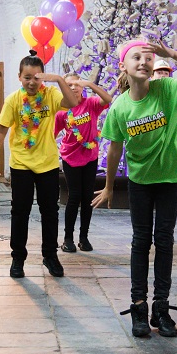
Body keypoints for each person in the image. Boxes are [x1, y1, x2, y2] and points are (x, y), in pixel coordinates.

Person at [93, 38, 177, 338]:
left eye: (148, 58)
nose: (144, 62)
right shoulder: (120, 107)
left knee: (164, 241)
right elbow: (114, 150)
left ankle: (161, 306)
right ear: (124, 65)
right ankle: (138, 306)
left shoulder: (169, 90)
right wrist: (108, 187)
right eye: (136, 57)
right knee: (140, 241)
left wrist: (173, 54)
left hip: (170, 179)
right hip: (140, 182)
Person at [0, 53, 79, 279]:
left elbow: (73, 103)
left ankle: (50, 256)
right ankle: (18, 258)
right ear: (19, 77)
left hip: (47, 164)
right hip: (21, 165)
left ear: (42, 79)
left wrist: (57, 78)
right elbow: (1, 130)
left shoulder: (51, 94)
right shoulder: (13, 100)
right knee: (20, 212)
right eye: (27, 77)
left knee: (50, 212)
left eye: (37, 78)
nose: (31, 82)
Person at [54, 74, 113, 253]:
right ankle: (68, 238)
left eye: (77, 84)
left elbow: (107, 99)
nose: (73, 87)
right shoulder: (62, 111)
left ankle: (84, 237)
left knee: (87, 197)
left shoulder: (91, 104)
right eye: (69, 85)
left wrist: (89, 84)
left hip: (90, 156)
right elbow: (52, 134)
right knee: (74, 196)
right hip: (70, 157)